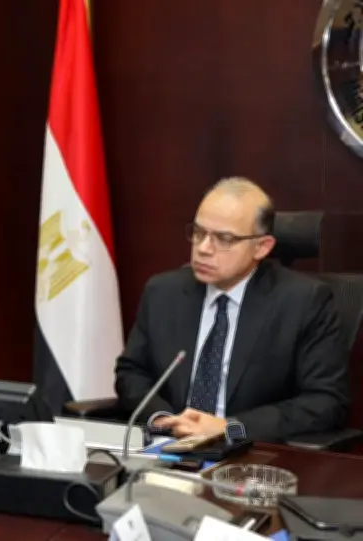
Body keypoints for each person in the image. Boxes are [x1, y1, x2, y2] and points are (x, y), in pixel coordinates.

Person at [114, 177, 349, 442]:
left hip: (247, 452)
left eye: (224, 239)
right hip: (168, 444)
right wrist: (163, 419)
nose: (203, 248)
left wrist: (228, 428)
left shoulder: (304, 301)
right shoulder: (163, 292)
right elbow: (131, 373)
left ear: (261, 247)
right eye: (199, 232)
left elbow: (325, 402)